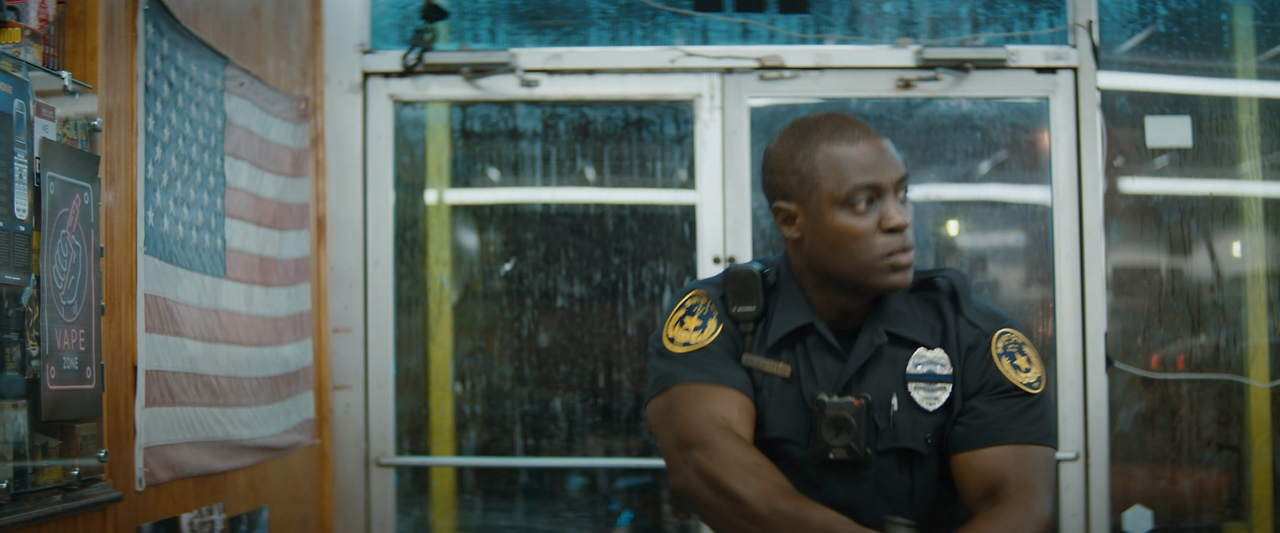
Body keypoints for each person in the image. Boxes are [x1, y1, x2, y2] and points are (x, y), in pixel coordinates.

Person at [645, 112, 1057, 533]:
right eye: (864, 202)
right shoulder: (723, 317)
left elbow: (1019, 506)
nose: (899, 219)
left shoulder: (972, 336)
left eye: (902, 194)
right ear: (790, 221)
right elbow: (704, 464)